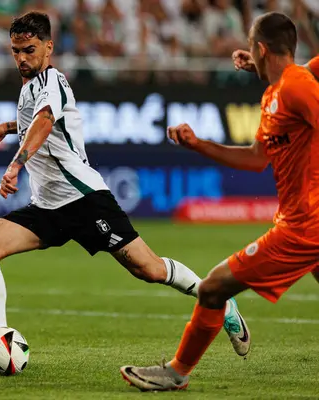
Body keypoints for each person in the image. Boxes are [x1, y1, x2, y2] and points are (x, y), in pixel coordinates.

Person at [0, 11, 250, 366]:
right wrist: (6, 127)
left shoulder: (52, 82)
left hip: (85, 200)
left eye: (29, 50)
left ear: (49, 47)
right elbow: (34, 120)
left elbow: (46, 121)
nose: (21, 58)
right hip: (47, 206)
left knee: (149, 270)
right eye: (15, 50)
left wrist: (16, 164)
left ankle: (221, 302)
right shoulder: (30, 86)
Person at [120, 12, 319, 391]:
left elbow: (306, 81)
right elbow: (255, 159)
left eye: (251, 48)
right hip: (305, 219)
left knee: (213, 288)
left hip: (304, 226)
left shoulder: (297, 87)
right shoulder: (277, 93)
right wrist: (198, 145)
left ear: (261, 49)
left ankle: (176, 372)